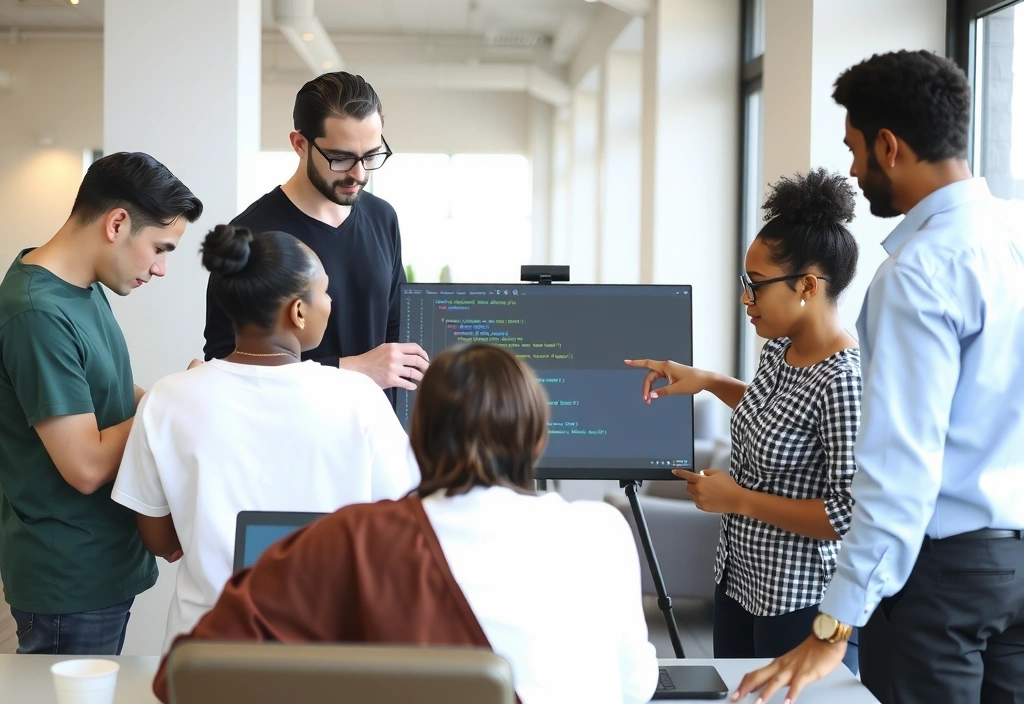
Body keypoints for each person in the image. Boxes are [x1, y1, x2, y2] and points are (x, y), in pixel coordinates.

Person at [736, 50, 1024, 704]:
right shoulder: (1015, 233)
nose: (852, 170)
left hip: (945, 580)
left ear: (889, 146)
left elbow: (899, 467)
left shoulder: (918, 274)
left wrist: (834, 625)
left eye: (856, 149)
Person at [151, 343, 659, 704]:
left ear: (416, 442)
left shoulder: (354, 538)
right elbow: (635, 689)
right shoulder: (603, 532)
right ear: (538, 441)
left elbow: (190, 670)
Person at [112, 224, 420, 652]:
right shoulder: (359, 398)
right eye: (324, 292)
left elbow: (160, 540)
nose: (329, 303)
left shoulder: (169, 397)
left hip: (205, 654)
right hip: (331, 647)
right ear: (298, 311)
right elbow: (399, 527)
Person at [626, 168, 862, 674]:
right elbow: (773, 412)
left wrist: (738, 500)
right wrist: (708, 379)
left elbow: (844, 517)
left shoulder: (844, 380)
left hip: (797, 599)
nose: (745, 299)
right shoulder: (779, 349)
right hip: (738, 577)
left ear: (808, 285)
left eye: (755, 286)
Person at [0, 151, 203, 654]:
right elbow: (86, 464)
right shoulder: (36, 313)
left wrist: (172, 398)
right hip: (68, 579)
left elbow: (115, 393)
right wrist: (175, 402)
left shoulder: (83, 288)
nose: (160, 269)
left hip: (105, 561)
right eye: (160, 248)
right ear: (117, 223)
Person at [203, 71, 429, 400]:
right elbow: (224, 365)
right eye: (340, 158)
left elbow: (398, 334)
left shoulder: (383, 218)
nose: (359, 173)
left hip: (375, 432)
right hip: (292, 436)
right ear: (300, 144)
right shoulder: (252, 235)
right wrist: (350, 369)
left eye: (371, 155)